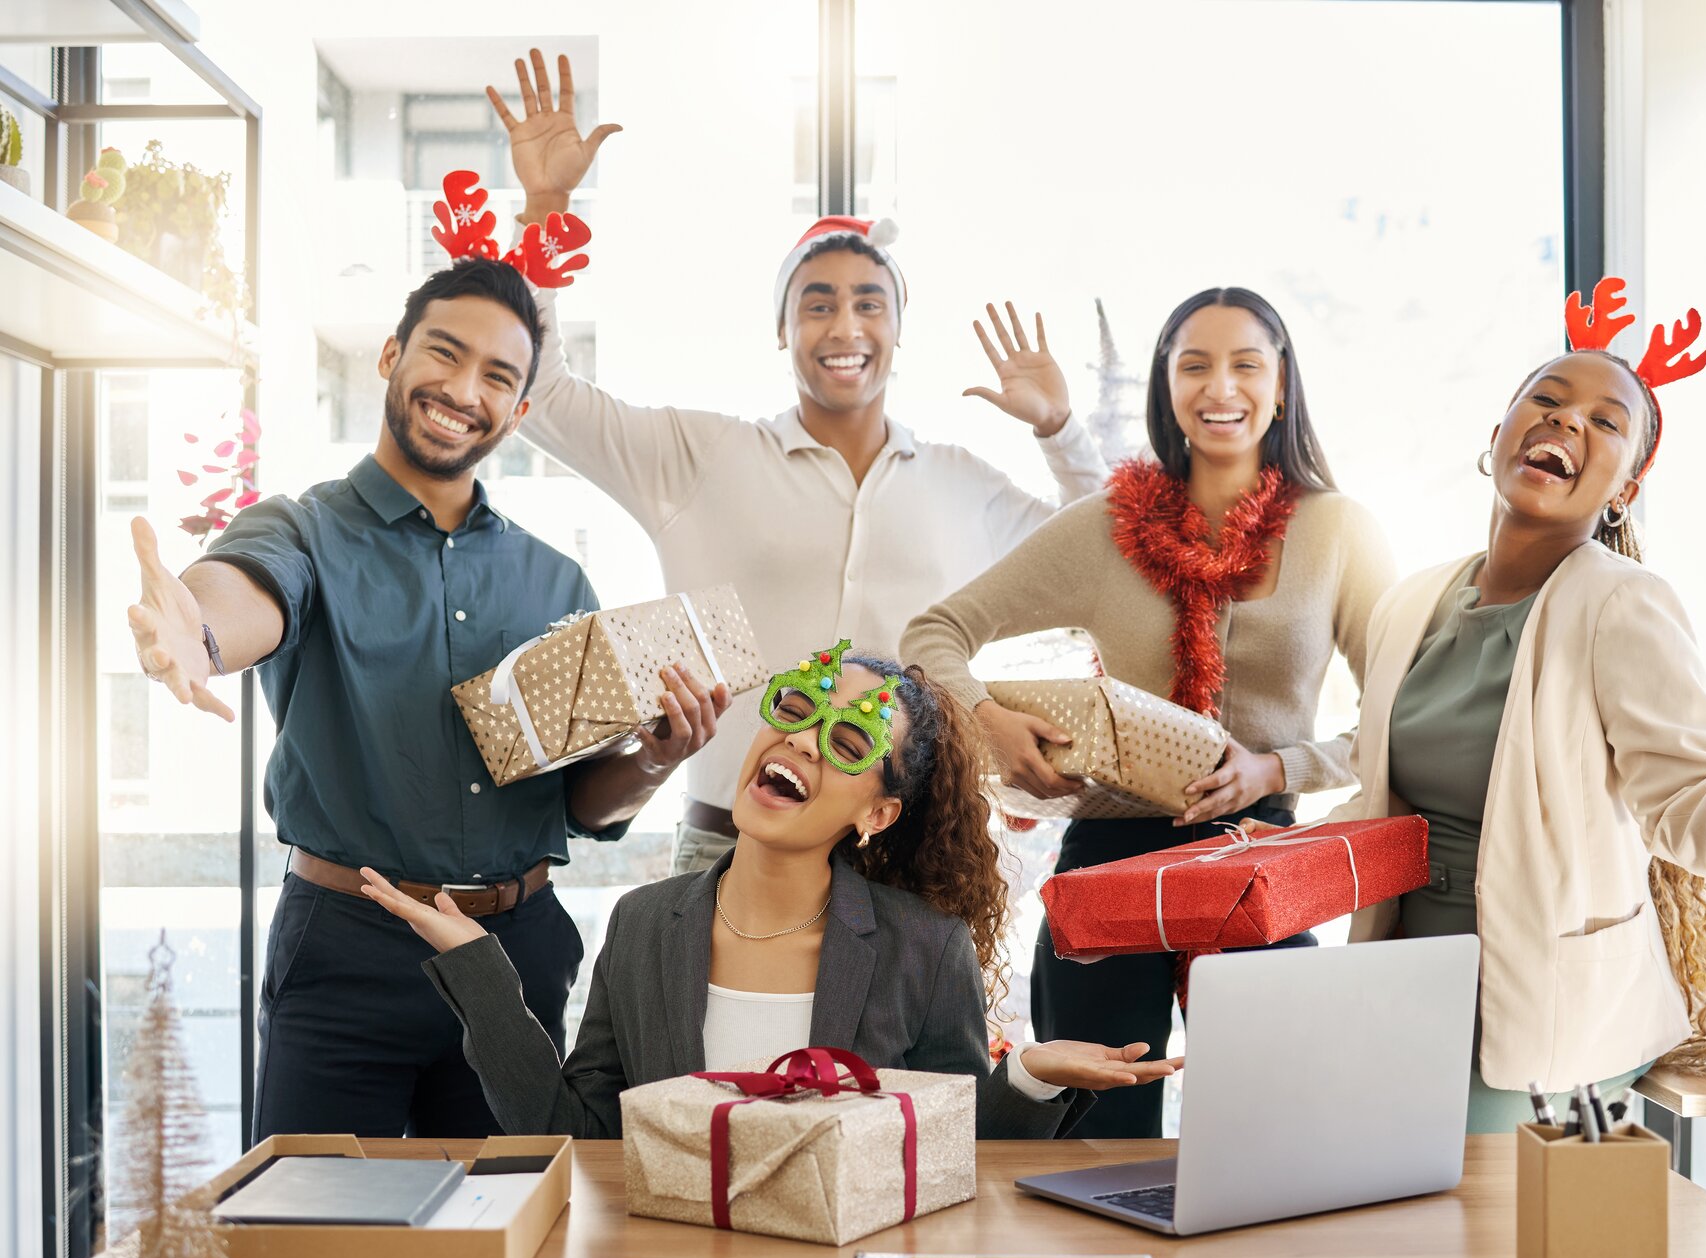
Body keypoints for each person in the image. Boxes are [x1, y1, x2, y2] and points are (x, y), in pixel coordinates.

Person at [126, 256, 727, 1138]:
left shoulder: (554, 580)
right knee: (314, 1242)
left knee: (512, 1249)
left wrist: (654, 761)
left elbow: (585, 805)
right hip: (346, 949)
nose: (462, 389)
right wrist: (198, 636)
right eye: (444, 353)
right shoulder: (302, 529)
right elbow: (244, 592)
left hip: (515, 952)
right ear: (390, 356)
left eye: (497, 376)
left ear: (519, 412)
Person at [481, 49, 1112, 879]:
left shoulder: (962, 484)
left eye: (867, 303)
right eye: (816, 303)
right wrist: (545, 206)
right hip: (725, 847)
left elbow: (1105, 547)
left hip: (906, 849)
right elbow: (549, 396)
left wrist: (1061, 429)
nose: (843, 325)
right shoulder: (703, 456)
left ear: (897, 329)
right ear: (783, 330)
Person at [1330, 278, 1706, 1129]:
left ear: (1625, 491)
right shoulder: (1412, 601)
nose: (1568, 421)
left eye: (1606, 423)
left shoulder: (1622, 604)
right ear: (1497, 437)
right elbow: (1374, 777)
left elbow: (1683, 813)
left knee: (1475, 1241)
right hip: (1402, 977)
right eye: (1549, 399)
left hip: (1544, 1002)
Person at [902, 287, 1397, 1137]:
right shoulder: (1103, 526)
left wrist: (1278, 768)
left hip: (1257, 856)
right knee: (1094, 1133)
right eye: (1194, 365)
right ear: (1165, 386)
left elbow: (1399, 710)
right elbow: (933, 632)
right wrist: (989, 718)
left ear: (1282, 387)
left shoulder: (1339, 531)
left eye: (1247, 364)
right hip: (1111, 859)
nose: (1221, 388)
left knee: (1276, 1127)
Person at [361, 643, 1181, 1138]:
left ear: (878, 812)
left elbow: (953, 1150)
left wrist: (1032, 1075)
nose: (803, 740)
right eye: (798, 706)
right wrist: (483, 974)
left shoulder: (922, 947)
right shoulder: (643, 924)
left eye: (851, 740)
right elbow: (573, 1131)